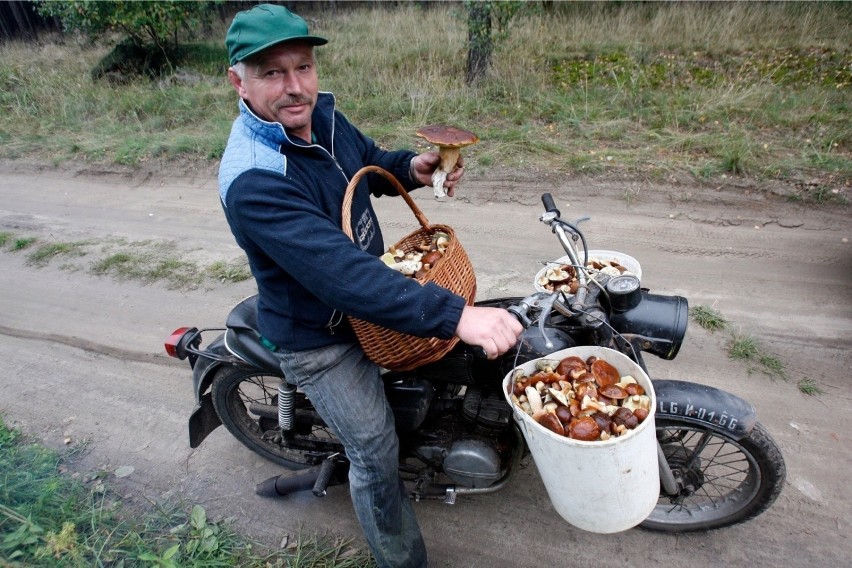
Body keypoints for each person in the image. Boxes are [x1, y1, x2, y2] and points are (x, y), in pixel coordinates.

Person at [219, 5, 523, 567]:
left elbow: (371, 162)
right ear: (237, 80)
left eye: (303, 67)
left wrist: (416, 168)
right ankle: (399, 558)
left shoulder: (324, 117)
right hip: (321, 336)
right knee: (376, 451)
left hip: (374, 294)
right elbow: (344, 274)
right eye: (271, 73)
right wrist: (457, 315)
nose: (295, 87)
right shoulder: (255, 179)